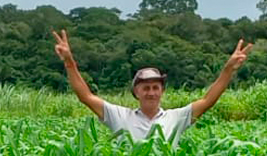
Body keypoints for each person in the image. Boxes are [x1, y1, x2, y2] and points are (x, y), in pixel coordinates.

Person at [51, 29, 253, 144]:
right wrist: (69, 62)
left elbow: (208, 100)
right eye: (145, 88)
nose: (151, 92)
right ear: (136, 92)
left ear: (162, 91)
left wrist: (228, 69)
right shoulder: (120, 116)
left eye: (156, 87)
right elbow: (86, 96)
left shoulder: (175, 118)